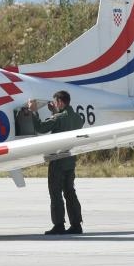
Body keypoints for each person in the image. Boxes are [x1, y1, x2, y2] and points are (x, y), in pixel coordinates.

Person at [24, 90, 85, 235]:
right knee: (70, 193)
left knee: (55, 193)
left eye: (56, 102)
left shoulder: (58, 118)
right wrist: (54, 113)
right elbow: (64, 125)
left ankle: (59, 224)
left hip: (58, 161)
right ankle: (76, 224)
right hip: (70, 160)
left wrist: (33, 111)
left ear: (60, 102)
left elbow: (41, 127)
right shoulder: (77, 118)